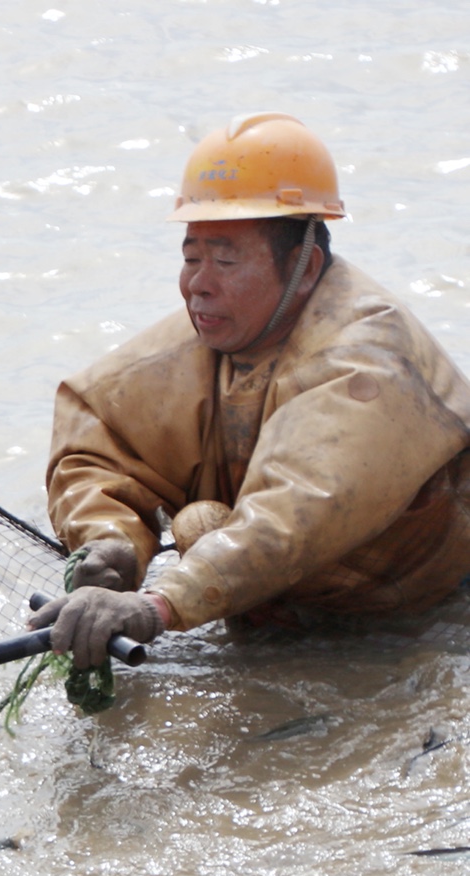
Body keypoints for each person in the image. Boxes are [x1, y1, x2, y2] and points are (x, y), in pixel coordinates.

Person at [34, 113, 470, 668]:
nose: (199, 283)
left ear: (304, 266)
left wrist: (160, 606)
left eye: (226, 259)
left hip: (406, 609)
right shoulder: (224, 329)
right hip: (284, 604)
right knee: (197, 525)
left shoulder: (367, 353)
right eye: (192, 257)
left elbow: (294, 512)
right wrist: (111, 541)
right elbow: (100, 433)